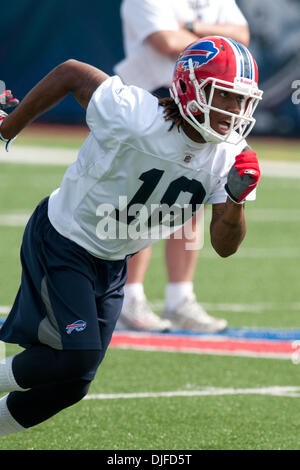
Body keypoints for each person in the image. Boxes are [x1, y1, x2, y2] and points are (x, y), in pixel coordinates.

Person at [0, 36, 262, 436]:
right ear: (192, 88)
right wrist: (7, 129)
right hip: (65, 237)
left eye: (241, 100)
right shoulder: (136, 114)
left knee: (73, 385)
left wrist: (236, 198)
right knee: (76, 358)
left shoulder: (229, 155)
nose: (233, 111)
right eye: (223, 96)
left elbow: (225, 247)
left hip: (112, 261)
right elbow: (71, 72)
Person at [114, 0, 251, 332]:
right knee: (144, 196)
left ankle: (179, 298)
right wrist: (212, 40)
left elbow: (241, 36)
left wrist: (191, 31)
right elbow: (166, 43)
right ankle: (128, 296)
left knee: (192, 197)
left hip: (202, 98)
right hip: (152, 100)